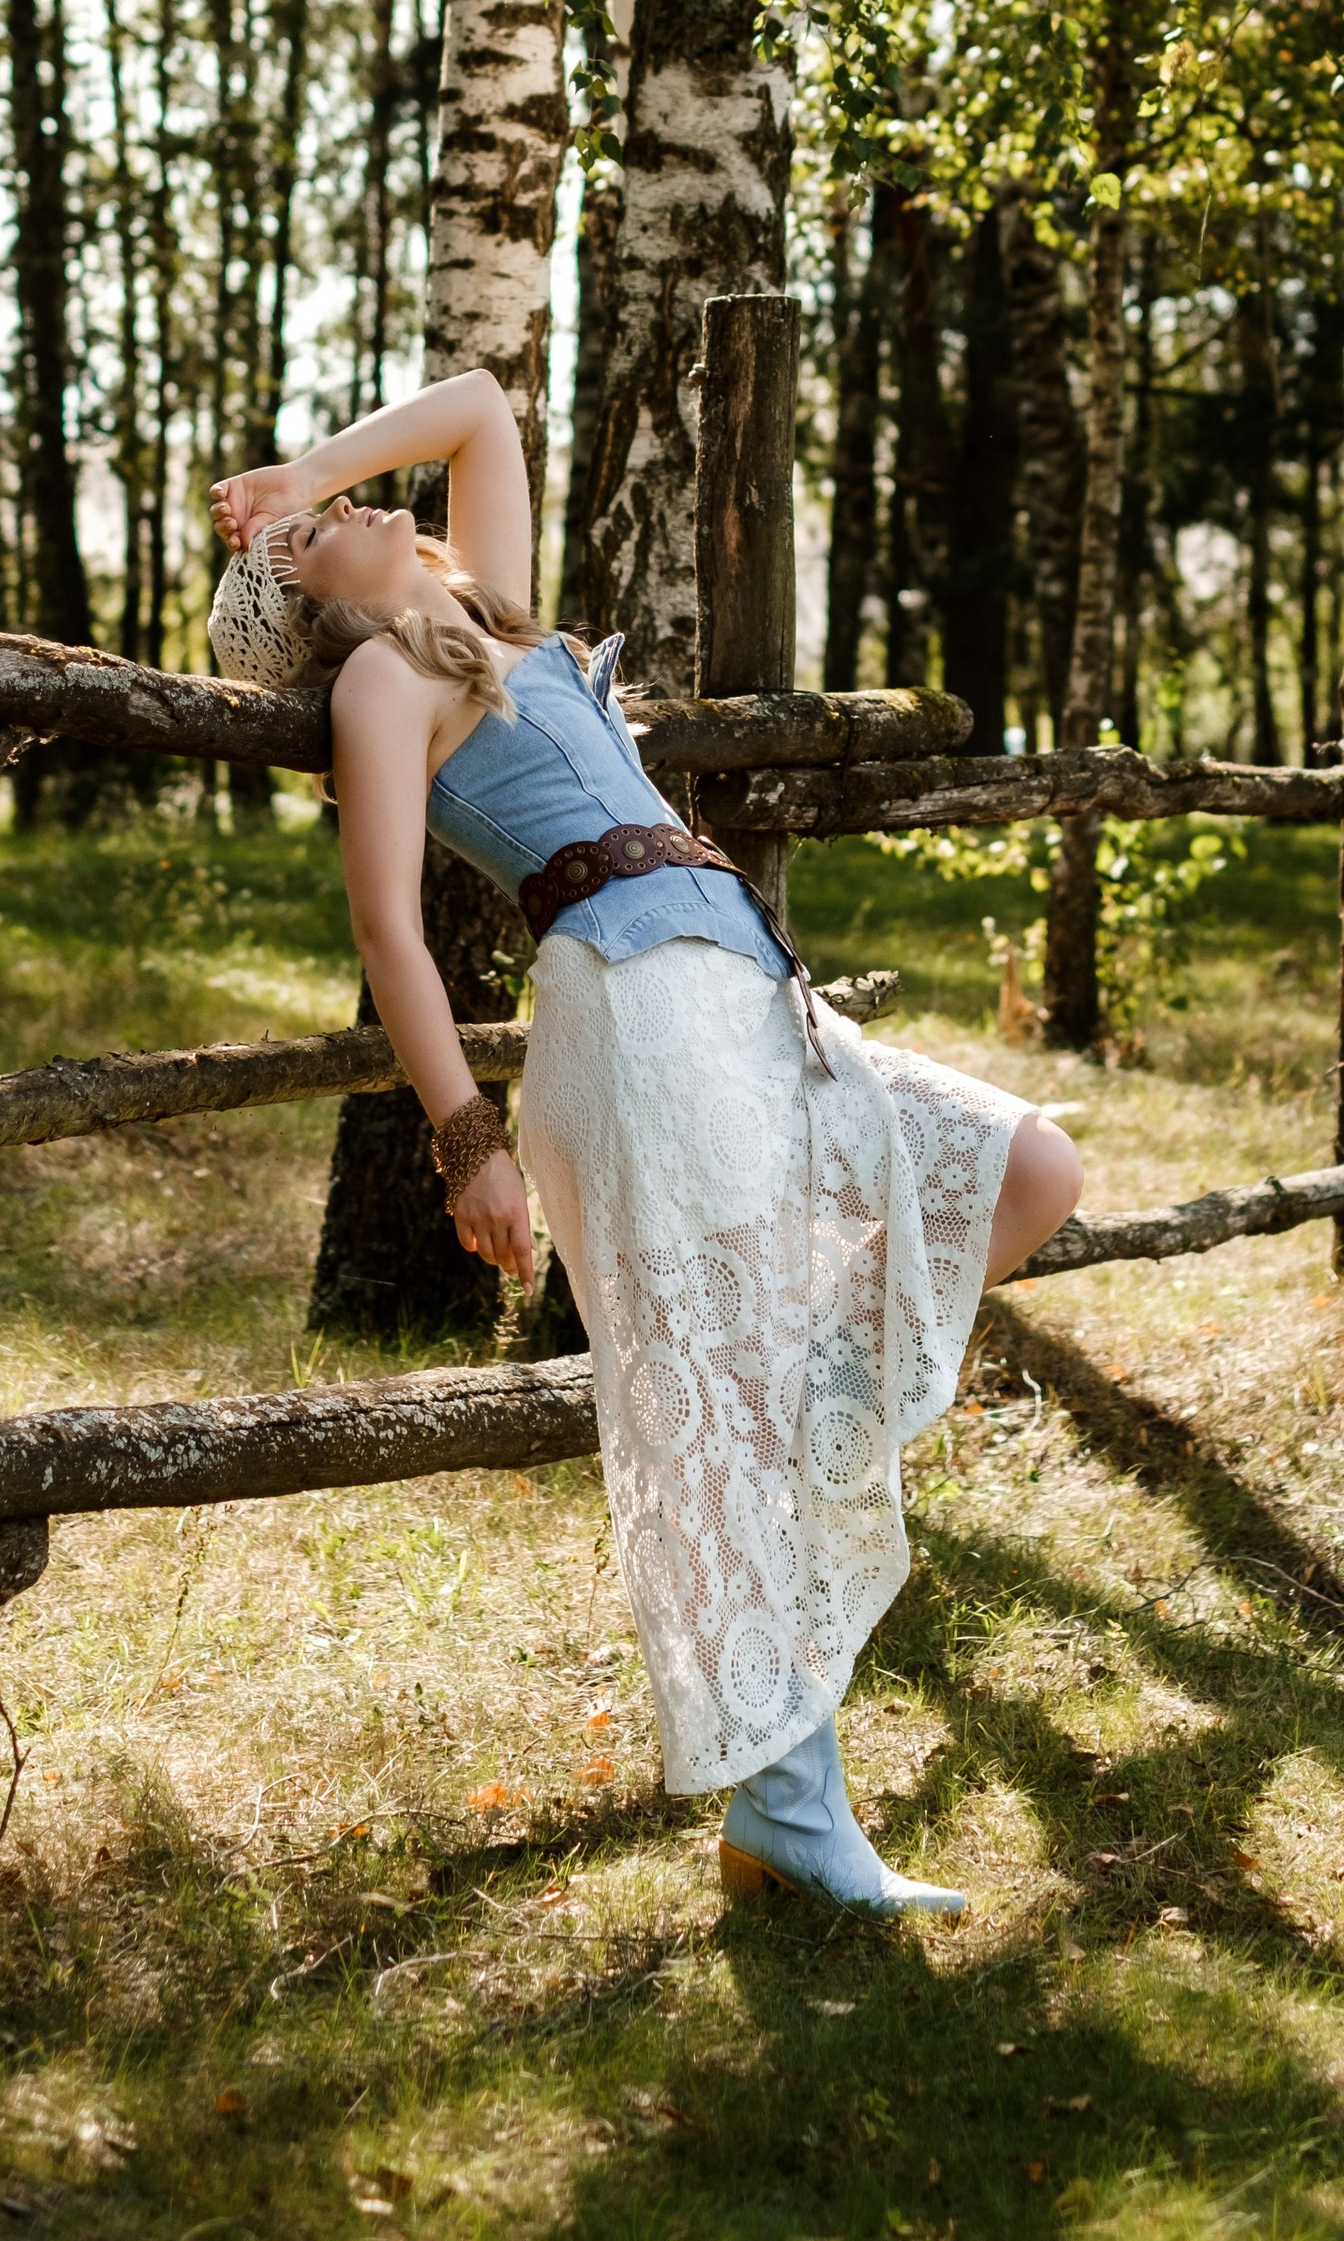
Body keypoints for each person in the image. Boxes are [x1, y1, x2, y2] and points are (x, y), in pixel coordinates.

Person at [208, 367, 1082, 1917]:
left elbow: (480, 408)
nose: (345, 508)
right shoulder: (383, 684)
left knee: (1029, 1170)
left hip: (750, 998)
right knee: (726, 1406)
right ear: (314, 614)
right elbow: (388, 931)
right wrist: (465, 1139)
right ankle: (795, 1818)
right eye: (310, 539)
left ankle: (802, 1443)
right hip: (631, 1023)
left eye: (336, 502)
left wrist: (297, 476)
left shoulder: (498, 620)